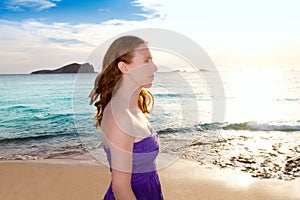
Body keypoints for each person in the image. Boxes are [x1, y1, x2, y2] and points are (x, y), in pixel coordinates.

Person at [89, 35, 164, 200]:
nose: (155, 68)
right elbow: (121, 189)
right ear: (124, 67)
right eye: (147, 61)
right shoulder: (120, 117)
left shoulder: (133, 107)